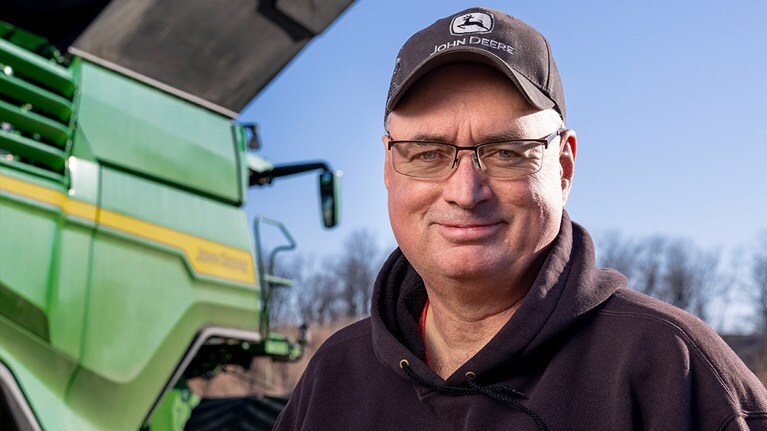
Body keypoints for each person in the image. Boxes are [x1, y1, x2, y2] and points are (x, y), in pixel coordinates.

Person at [273, 7, 767, 430]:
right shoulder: (332, 381)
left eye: (507, 152)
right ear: (388, 167)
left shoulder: (672, 373)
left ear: (564, 166)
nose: (465, 192)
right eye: (427, 153)